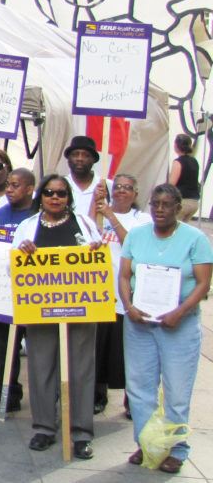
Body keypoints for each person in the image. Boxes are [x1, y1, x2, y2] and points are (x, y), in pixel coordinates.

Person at [119, 184, 213, 474]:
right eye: (155, 203)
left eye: (166, 204)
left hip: (179, 326)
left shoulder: (196, 239)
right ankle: (148, 444)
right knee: (139, 389)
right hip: (140, 325)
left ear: (178, 207)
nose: (160, 209)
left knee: (177, 390)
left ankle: (178, 448)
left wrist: (180, 312)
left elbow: (203, 283)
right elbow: (124, 276)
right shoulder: (136, 235)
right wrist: (129, 306)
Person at [12, 174, 102, 460]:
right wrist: (23, 254)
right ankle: (44, 428)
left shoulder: (85, 225)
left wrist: (96, 252)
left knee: (80, 370)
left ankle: (81, 433)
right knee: (41, 368)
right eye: (49, 192)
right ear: (41, 196)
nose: (55, 197)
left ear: (68, 198)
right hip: (41, 310)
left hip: (80, 310)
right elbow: (11, 268)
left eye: (61, 194)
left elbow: (99, 261)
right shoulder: (28, 226)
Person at [93, 174, 150, 417]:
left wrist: (111, 217)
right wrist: (97, 207)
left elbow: (133, 247)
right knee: (99, 351)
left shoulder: (142, 220)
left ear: (136, 194)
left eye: (128, 188)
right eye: (118, 187)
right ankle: (98, 396)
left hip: (127, 297)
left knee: (128, 354)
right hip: (100, 296)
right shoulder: (99, 213)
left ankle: (131, 402)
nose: (122, 191)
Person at [0, 167, 36, 416]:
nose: (9, 190)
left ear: (29, 189)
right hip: (3, 294)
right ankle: (7, 394)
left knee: (38, 349)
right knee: (4, 348)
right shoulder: (1, 213)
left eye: (15, 185)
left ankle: (45, 399)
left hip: (34, 295)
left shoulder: (39, 215)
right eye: (8, 185)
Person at [63, 135, 112, 213]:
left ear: (93, 160)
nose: (80, 159)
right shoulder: (60, 185)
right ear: (68, 158)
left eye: (86, 155)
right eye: (75, 154)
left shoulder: (107, 186)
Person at [169, 134, 200, 222]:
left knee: (172, 228)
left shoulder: (178, 162)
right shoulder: (194, 161)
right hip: (194, 202)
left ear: (176, 146)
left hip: (183, 201)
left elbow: (172, 184)